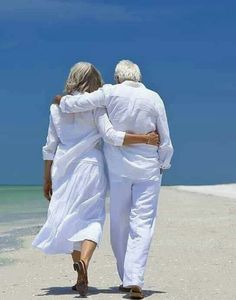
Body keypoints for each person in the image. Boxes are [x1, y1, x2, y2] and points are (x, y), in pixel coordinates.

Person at [32, 61, 159, 297]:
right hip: (91, 166)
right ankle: (85, 264)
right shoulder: (98, 108)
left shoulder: (56, 108)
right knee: (92, 218)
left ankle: (79, 270)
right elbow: (111, 136)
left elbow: (49, 147)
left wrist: (46, 178)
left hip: (63, 169)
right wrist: (145, 138)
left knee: (70, 218)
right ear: (95, 81)